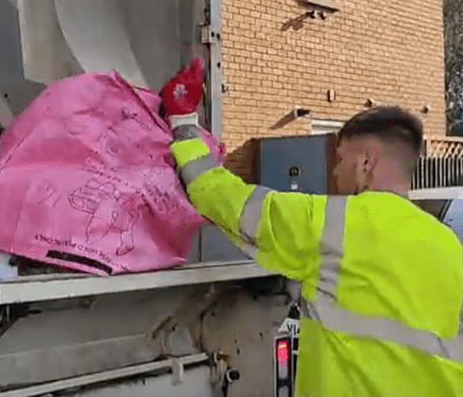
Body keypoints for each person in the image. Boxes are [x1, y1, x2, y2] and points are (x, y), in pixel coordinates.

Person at [162, 59, 463, 396]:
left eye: (341, 160)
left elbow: (225, 200)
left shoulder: (333, 225)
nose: (334, 174)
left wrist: (184, 121)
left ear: (366, 162)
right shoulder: (450, 247)